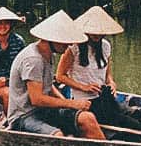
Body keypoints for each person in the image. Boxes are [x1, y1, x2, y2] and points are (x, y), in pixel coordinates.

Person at [6, 10, 104, 138]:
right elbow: (37, 99)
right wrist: (71, 103)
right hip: (24, 115)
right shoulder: (33, 59)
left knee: (87, 118)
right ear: (50, 39)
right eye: (64, 41)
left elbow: (49, 86)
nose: (69, 44)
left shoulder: (48, 54)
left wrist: (67, 103)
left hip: (44, 111)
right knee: (57, 135)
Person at [56, 6, 141, 130]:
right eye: (93, 32)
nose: (96, 35)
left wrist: (111, 83)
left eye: (99, 32)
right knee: (132, 125)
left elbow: (107, 75)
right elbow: (60, 76)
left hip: (105, 98)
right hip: (86, 102)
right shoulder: (73, 48)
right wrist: (84, 87)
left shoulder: (106, 46)